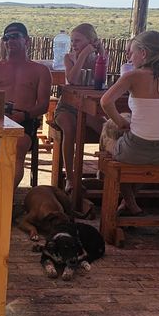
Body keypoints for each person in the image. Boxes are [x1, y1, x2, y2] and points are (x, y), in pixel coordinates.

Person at [100, 30, 159, 216]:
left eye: (132, 52)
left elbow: (105, 102)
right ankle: (129, 203)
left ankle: (129, 202)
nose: (129, 57)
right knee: (144, 156)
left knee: (107, 140)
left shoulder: (132, 77)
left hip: (134, 151)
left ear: (143, 53)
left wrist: (120, 122)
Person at [0, 22, 53, 188]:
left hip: (24, 120)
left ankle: (5, 195)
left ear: (26, 40)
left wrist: (23, 115)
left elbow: (43, 105)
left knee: (17, 147)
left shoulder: (40, 71)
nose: (10, 41)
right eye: (6, 37)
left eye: (15, 36)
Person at [52, 23, 108, 192]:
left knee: (105, 128)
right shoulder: (69, 58)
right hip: (67, 106)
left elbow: (101, 80)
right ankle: (70, 178)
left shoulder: (99, 58)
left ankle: (104, 170)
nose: (73, 44)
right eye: (72, 41)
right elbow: (73, 79)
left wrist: (100, 53)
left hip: (88, 106)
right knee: (69, 129)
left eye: (77, 40)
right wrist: (83, 54)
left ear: (91, 41)